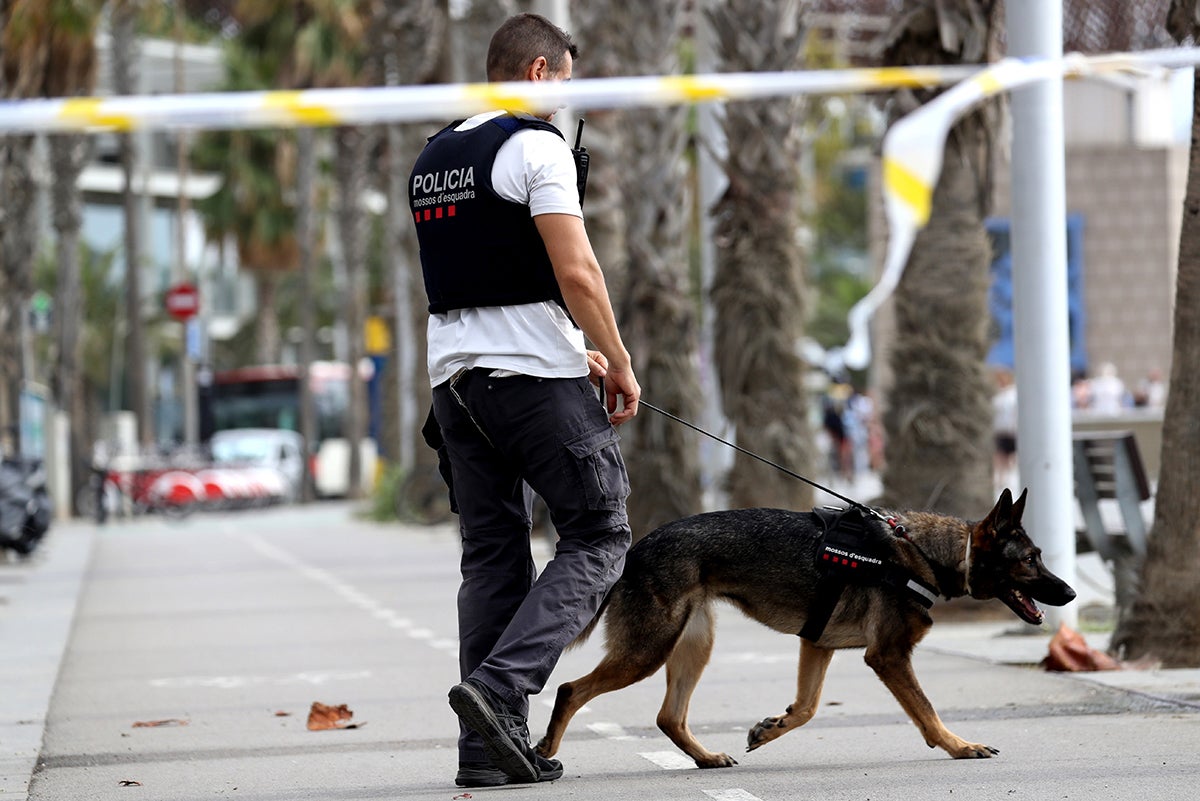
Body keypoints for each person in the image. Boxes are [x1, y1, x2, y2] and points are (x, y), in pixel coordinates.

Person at [408, 13, 640, 789]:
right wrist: (619, 360)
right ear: (539, 72)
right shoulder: (536, 146)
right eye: (566, 80)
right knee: (601, 533)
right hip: (531, 385)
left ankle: (485, 752)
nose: (568, 97)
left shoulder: (434, 155)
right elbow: (576, 274)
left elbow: (482, 281)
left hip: (456, 383)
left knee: (493, 557)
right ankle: (503, 687)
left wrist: (577, 349)